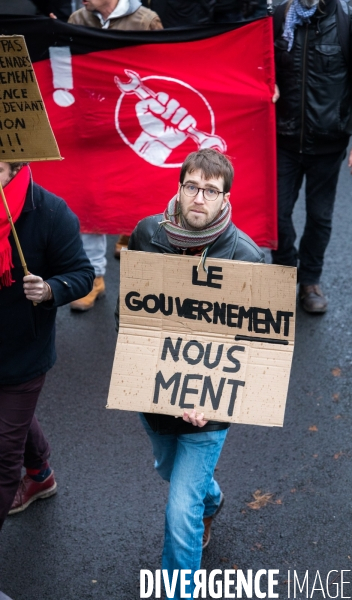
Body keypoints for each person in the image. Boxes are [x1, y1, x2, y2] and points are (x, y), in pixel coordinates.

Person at [117, 149, 264, 599]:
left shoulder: (246, 257)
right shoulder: (146, 234)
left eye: (211, 190)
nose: (200, 197)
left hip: (209, 408)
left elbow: (256, 349)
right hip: (155, 396)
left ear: (225, 198)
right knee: (168, 469)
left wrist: (212, 401)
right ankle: (212, 499)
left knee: (181, 511)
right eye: (192, 186)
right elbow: (130, 316)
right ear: (179, 187)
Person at [0, 162, 94, 527]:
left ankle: (30, 474)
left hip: (24, 353)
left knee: (4, 453)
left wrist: (51, 289)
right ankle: (40, 475)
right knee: (14, 417)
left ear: (16, 166)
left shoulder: (51, 212)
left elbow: (83, 275)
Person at [272, 0, 352, 313]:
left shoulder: (349, 21)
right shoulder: (279, 16)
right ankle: (283, 271)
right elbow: (259, 65)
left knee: (319, 217)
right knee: (278, 214)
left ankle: (310, 280)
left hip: (328, 144)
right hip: (283, 139)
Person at [67, 0, 163, 311]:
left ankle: (148, 285)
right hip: (92, 127)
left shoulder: (146, 21)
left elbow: (164, 72)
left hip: (133, 132)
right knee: (90, 202)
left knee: (141, 202)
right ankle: (94, 277)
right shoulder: (78, 17)